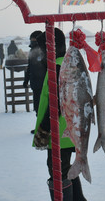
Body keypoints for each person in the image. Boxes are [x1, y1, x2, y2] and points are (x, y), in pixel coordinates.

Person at [32, 28, 87, 201]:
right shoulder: (62, 63)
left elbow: (57, 102)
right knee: (66, 169)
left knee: (57, 172)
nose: (39, 52)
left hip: (59, 132)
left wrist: (45, 128)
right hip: (67, 131)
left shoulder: (58, 67)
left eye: (42, 48)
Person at [24, 31, 47, 131]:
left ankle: (44, 128)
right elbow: (29, 68)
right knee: (37, 107)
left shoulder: (44, 51)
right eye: (31, 40)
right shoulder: (32, 51)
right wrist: (26, 80)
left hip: (44, 84)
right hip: (35, 84)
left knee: (44, 107)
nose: (32, 41)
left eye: (34, 40)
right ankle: (40, 127)